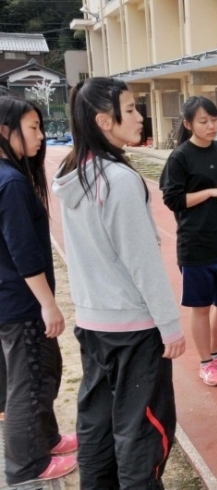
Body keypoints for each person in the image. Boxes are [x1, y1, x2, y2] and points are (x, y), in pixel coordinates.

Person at [52, 77, 186, 488]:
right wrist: (170, 325)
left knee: (97, 423)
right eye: (129, 110)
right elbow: (142, 263)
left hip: (93, 322)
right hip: (132, 329)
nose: (139, 117)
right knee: (143, 431)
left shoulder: (73, 173)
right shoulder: (119, 181)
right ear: (104, 121)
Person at [0, 96, 78, 483]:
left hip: (13, 298)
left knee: (43, 371)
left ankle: (46, 438)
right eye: (33, 128)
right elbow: (23, 251)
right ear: (5, 131)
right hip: (20, 301)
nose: (41, 136)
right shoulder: (10, 181)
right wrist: (49, 304)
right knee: (28, 381)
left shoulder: (7, 176)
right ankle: (26, 465)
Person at [160, 96, 217, 387]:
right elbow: (173, 199)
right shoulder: (180, 158)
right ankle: (205, 362)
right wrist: (210, 192)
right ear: (188, 124)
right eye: (203, 121)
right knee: (201, 306)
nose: (211, 126)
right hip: (195, 243)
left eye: (214, 119)